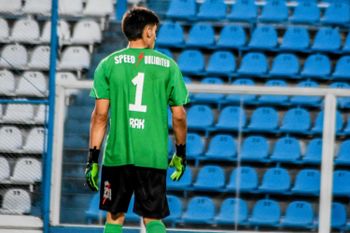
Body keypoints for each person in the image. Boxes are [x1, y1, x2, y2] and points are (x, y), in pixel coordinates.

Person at [84, 6, 189, 233]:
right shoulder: (169, 66)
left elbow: (100, 116)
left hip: (117, 155)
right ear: (148, 32)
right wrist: (180, 153)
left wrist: (92, 159)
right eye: (155, 31)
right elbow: (179, 115)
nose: (156, 36)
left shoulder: (108, 65)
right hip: (152, 155)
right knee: (153, 219)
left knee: (114, 217)